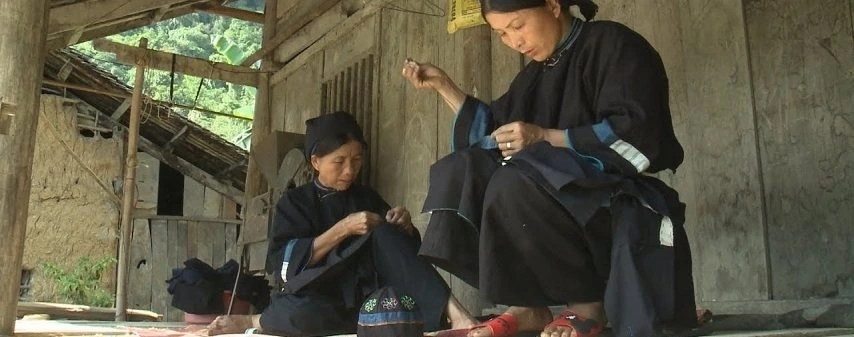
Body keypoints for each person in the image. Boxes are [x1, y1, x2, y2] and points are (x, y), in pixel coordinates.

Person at [402, 0, 698, 336]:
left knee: (514, 181)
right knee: (462, 170)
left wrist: (546, 137)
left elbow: (638, 132)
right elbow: (494, 136)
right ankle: (527, 304)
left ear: (553, 5)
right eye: (501, 34)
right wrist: (445, 87)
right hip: (543, 196)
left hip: (609, 200)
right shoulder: (532, 77)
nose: (514, 41)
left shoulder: (614, 45)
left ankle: (586, 304)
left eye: (518, 25)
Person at [206, 111, 477, 336]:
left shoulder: (366, 197)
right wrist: (342, 229)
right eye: (339, 161)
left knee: (385, 241)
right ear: (315, 162)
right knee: (299, 314)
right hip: (322, 295)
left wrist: (404, 227)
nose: (350, 170)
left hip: (368, 295)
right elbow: (285, 267)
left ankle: (457, 315)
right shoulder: (295, 202)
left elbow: (402, 257)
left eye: (357, 160)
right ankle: (255, 320)